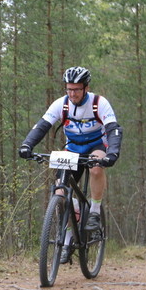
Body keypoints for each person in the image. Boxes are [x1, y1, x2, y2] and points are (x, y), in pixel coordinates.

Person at [18, 66, 123, 263]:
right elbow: (42, 126)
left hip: (96, 146)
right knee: (60, 192)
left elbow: (113, 129)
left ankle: (94, 212)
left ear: (86, 88)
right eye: (69, 89)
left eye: (76, 89)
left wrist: (113, 153)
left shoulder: (99, 103)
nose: (72, 94)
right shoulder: (61, 104)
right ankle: (67, 240)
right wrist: (27, 145)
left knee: (96, 167)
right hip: (73, 148)